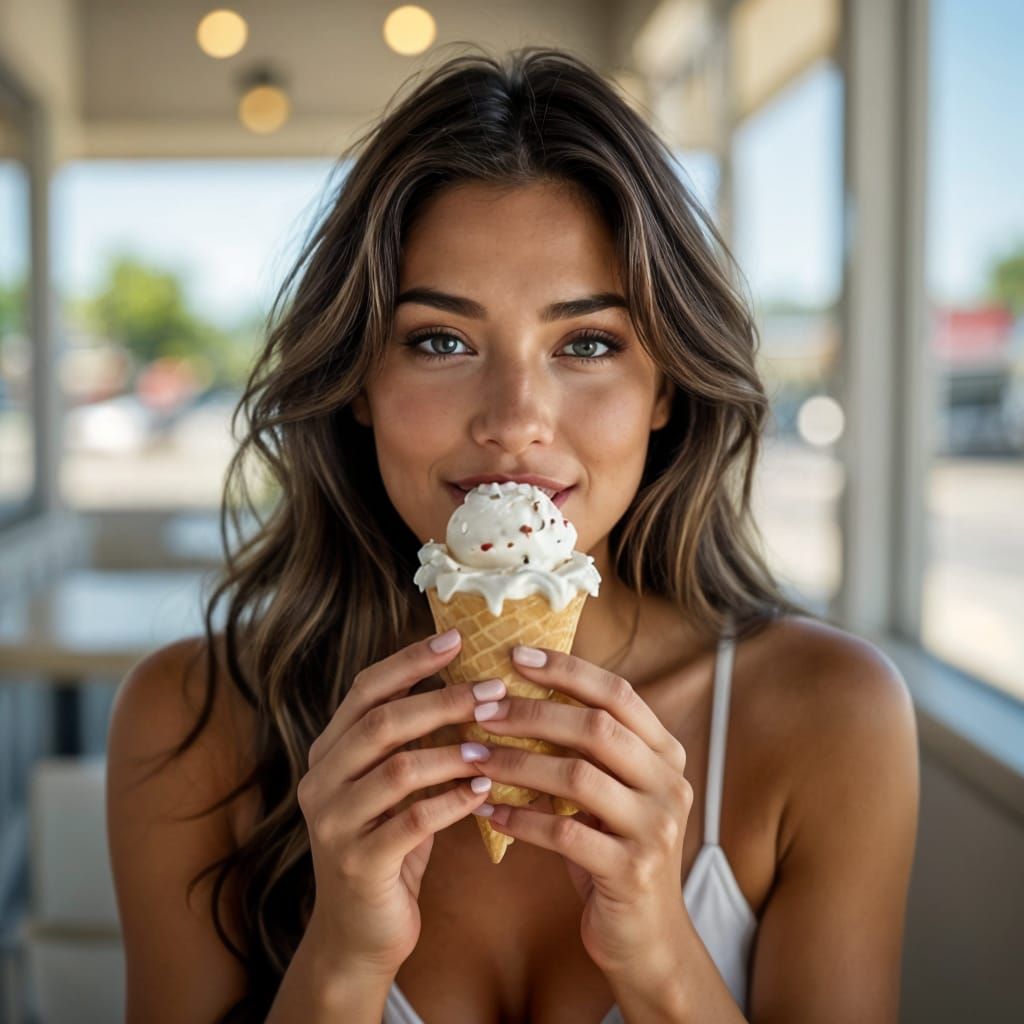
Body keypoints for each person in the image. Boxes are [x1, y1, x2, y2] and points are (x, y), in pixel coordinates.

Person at [106, 46, 919, 1024]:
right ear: (360, 380)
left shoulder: (830, 719)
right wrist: (341, 961)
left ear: (664, 385)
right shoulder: (191, 722)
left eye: (586, 342)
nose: (515, 415)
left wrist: (660, 955)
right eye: (440, 340)